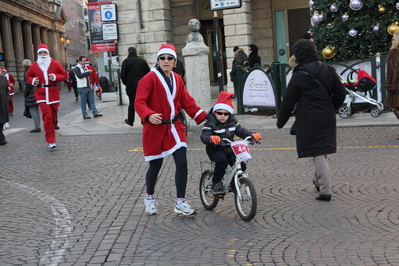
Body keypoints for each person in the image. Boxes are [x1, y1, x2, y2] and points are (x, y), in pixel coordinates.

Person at [135, 44, 207, 216]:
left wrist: (204, 116)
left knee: (181, 161)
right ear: (158, 60)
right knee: (156, 165)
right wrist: (148, 114)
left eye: (169, 58)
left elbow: (186, 101)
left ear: (175, 61)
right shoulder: (149, 79)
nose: (165, 61)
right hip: (155, 128)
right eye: (162, 58)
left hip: (175, 126)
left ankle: (180, 201)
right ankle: (150, 198)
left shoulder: (177, 79)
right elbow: (139, 102)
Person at [276, 39, 346, 201]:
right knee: (321, 150)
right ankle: (318, 180)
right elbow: (341, 93)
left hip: (309, 118)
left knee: (318, 153)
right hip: (327, 115)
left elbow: (288, 101)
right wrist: (330, 107)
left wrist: (281, 122)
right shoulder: (328, 69)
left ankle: (325, 190)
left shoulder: (299, 75)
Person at [200, 91, 261, 195]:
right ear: (214, 113)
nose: (223, 116)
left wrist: (252, 135)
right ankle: (216, 183)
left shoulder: (233, 122)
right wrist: (211, 138)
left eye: (226, 113)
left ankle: (233, 182)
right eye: (219, 113)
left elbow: (241, 131)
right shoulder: (210, 123)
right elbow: (204, 135)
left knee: (241, 165)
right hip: (215, 148)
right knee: (222, 161)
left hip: (230, 148)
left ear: (230, 114)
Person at [25, 44, 67, 149]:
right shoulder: (34, 65)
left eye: (44, 53)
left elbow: (65, 76)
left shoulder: (55, 64)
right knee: (47, 117)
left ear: (48, 53)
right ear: (38, 54)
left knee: (53, 118)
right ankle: (51, 140)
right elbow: (28, 76)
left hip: (53, 94)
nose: (43, 55)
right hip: (41, 94)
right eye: (40, 53)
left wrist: (55, 77)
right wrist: (33, 80)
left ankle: (52, 136)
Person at [120, 47, 150, 126]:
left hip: (131, 86)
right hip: (142, 86)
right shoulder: (142, 61)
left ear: (128, 52)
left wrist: (127, 83)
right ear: (136, 52)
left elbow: (123, 75)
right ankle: (143, 119)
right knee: (143, 103)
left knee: (132, 103)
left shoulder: (126, 62)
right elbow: (148, 73)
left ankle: (130, 120)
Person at [384, 31, 399, 126]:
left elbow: (392, 71)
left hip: (396, 85)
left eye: (393, 38)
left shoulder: (393, 52)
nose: (391, 40)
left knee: (393, 107)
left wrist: (390, 86)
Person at [22, 59, 41, 133]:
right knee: (36, 110)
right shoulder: (34, 71)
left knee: (33, 110)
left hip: (30, 93)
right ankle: (38, 125)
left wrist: (25, 93)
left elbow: (28, 85)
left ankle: (37, 127)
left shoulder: (27, 72)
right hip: (36, 92)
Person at [0, 74, 9, 145]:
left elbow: (6, 89)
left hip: (2, 102)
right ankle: (1, 138)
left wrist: (7, 98)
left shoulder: (3, 78)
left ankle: (1, 137)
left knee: (2, 121)